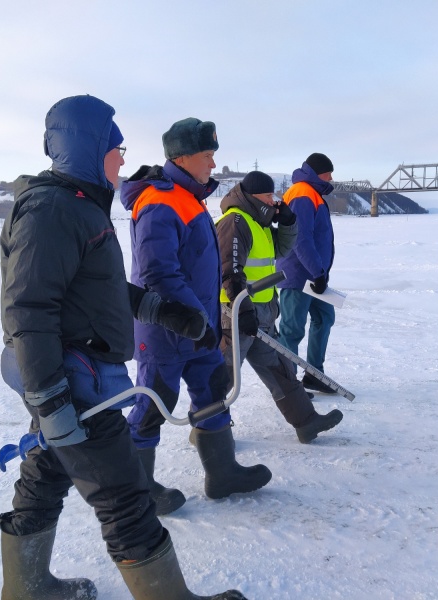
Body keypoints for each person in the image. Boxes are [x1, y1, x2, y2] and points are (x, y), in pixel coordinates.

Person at [0, 95, 246, 600]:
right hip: (74, 383)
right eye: (116, 147)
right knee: (126, 499)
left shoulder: (81, 208)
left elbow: (102, 287)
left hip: (76, 378)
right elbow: (28, 310)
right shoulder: (51, 211)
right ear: (89, 147)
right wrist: (49, 397)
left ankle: (27, 587)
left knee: (45, 477)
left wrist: (163, 311)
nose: (121, 157)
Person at [121, 118, 272, 514]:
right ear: (182, 157)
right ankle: (137, 495)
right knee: (154, 403)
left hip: (198, 329)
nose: (213, 164)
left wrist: (206, 322)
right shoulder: (158, 200)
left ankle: (222, 474)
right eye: (207, 156)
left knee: (213, 388)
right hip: (165, 331)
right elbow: (159, 273)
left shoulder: (189, 199)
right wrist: (194, 320)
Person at [215, 171, 344, 442]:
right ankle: (208, 432)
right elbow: (230, 270)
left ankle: (306, 422)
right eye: (269, 196)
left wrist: (287, 222)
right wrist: (244, 309)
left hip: (260, 314)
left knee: (280, 368)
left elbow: (281, 251)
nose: (274, 201)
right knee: (221, 376)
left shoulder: (258, 223)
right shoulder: (235, 222)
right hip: (236, 314)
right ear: (254, 196)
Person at [276, 153, 338, 394]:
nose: (331, 178)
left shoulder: (311, 193)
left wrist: (319, 273)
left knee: (324, 318)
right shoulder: (302, 193)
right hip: (299, 275)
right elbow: (300, 239)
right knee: (292, 330)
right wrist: (316, 271)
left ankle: (314, 374)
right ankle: (287, 384)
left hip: (314, 275)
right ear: (318, 172)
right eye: (328, 173)